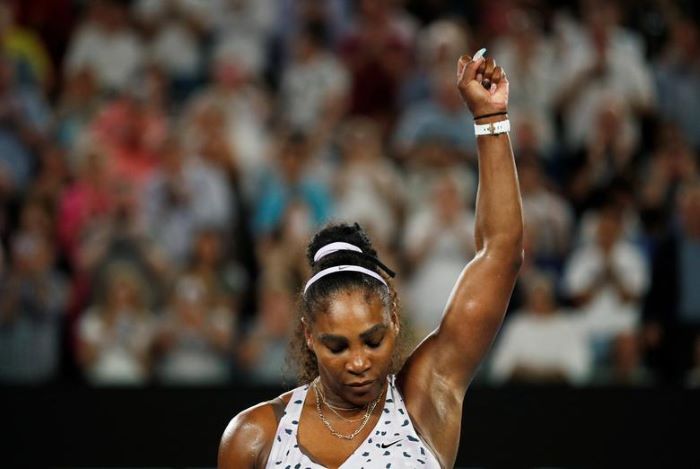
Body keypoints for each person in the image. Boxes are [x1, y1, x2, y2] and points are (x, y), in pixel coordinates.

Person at [218, 50, 523, 468]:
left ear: (394, 319)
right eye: (337, 346)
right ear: (309, 336)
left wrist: (490, 119)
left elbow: (500, 253)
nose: (359, 362)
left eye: (373, 339)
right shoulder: (254, 437)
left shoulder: (426, 399)